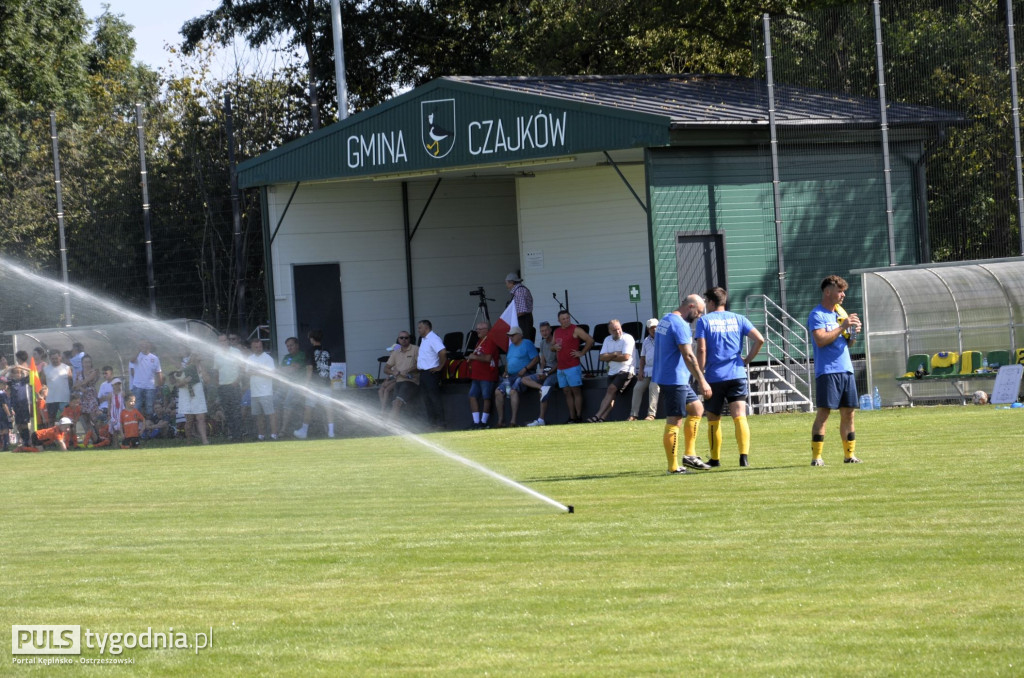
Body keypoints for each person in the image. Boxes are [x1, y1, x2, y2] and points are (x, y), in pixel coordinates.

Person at [695, 287, 765, 467]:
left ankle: (715, 458)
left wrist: (699, 373)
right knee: (739, 415)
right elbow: (760, 339)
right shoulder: (739, 318)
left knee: (713, 417)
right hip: (737, 374)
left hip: (714, 377)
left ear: (711, 302)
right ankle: (744, 457)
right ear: (724, 301)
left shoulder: (704, 321)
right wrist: (747, 360)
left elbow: (701, 349)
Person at [653, 294, 712, 473]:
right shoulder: (680, 324)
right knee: (674, 420)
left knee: (696, 409)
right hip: (674, 379)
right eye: (699, 312)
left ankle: (689, 456)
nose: (699, 316)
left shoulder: (666, 319)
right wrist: (702, 380)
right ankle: (672, 467)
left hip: (673, 377)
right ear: (691, 306)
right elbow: (688, 355)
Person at [808, 275, 863, 466]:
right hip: (828, 371)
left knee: (849, 413)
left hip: (845, 370)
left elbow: (849, 343)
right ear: (827, 292)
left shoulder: (840, 313)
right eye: (839, 291)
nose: (843, 295)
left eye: (843, 291)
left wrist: (853, 332)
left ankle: (849, 455)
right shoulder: (817, 315)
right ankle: (817, 458)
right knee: (824, 414)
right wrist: (842, 326)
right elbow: (821, 340)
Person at [586, 319, 636, 423]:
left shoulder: (628, 338)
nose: (617, 331)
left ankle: (597, 416)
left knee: (611, 390)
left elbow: (626, 357)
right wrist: (615, 354)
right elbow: (601, 357)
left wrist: (609, 356)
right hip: (612, 371)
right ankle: (602, 418)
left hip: (626, 370)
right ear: (609, 331)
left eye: (618, 329)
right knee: (611, 395)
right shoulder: (607, 339)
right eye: (614, 330)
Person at [552, 309, 594, 424]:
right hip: (561, 367)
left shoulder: (576, 329)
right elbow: (552, 346)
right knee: (566, 392)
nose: (566, 320)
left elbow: (590, 340)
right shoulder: (557, 331)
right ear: (559, 320)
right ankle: (572, 417)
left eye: (567, 318)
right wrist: (554, 347)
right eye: (563, 319)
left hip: (572, 366)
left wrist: (582, 352)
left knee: (576, 391)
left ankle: (579, 416)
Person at [294, 329, 337, 438]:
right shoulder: (327, 351)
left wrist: (306, 385)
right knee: (329, 408)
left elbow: (309, 369)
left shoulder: (309, 351)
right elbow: (329, 367)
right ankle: (331, 432)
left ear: (312, 339)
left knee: (309, 407)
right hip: (326, 383)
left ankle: (304, 431)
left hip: (314, 384)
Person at [494, 326, 539, 427]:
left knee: (513, 391)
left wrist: (525, 369)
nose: (511, 337)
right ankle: (501, 421)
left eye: (513, 335)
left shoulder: (527, 343)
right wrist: (506, 371)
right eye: (510, 335)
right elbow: (509, 361)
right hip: (510, 375)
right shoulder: (511, 346)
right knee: (498, 391)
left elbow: (536, 358)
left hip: (523, 374)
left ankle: (513, 421)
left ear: (520, 335)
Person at [523, 321, 560, 427]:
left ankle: (541, 419)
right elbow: (542, 361)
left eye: (546, 330)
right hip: (546, 371)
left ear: (550, 330)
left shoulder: (555, 342)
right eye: (542, 331)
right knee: (524, 379)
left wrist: (547, 374)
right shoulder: (542, 343)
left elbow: (558, 363)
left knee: (544, 389)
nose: (544, 333)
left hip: (555, 372)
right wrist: (541, 372)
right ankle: (542, 387)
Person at [465, 321, 500, 429]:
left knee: (486, 397)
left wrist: (473, 357)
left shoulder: (490, 341)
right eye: (477, 329)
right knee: (472, 396)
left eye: (480, 329)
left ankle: (483, 422)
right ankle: (476, 422)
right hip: (477, 375)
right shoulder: (480, 340)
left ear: (486, 330)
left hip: (487, 375)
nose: (477, 331)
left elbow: (487, 358)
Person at [381, 330, 419, 423]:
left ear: (409, 339)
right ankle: (394, 426)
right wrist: (393, 372)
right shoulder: (395, 353)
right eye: (401, 338)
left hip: (411, 382)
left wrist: (409, 370)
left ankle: (389, 425)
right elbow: (385, 369)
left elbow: (421, 366)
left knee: (397, 403)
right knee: (395, 404)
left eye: (406, 338)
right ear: (398, 340)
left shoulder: (416, 349)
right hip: (398, 382)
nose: (404, 339)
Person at [416, 320, 447, 429]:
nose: (418, 330)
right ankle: (432, 423)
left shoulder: (433, 338)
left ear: (426, 328)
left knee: (434, 398)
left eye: (420, 327)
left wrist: (440, 367)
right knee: (427, 399)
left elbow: (442, 352)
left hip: (431, 373)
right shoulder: (424, 340)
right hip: (424, 373)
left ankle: (440, 423)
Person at [173, 352, 210, 445]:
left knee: (201, 418)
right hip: (186, 396)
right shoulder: (183, 367)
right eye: (198, 355)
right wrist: (184, 381)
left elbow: (207, 381)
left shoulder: (202, 367)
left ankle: (204, 440)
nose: (200, 356)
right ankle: (189, 440)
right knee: (189, 420)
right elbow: (177, 384)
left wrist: (202, 370)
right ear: (193, 357)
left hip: (198, 395)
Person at [247, 337, 279, 441]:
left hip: (266, 392)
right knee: (258, 415)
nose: (258, 348)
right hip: (254, 393)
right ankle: (261, 436)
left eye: (260, 346)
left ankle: (274, 435)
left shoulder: (268, 358)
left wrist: (256, 371)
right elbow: (247, 372)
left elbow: (271, 373)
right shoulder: (249, 359)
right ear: (252, 347)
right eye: (256, 347)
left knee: (270, 414)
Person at [214, 333, 245, 441]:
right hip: (223, 387)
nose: (222, 343)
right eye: (220, 341)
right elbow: (217, 371)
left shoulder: (236, 352)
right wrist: (218, 384)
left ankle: (239, 435)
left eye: (224, 341)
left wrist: (237, 381)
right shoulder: (217, 355)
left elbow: (242, 368)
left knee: (236, 412)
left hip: (234, 386)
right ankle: (232, 434)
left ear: (228, 341)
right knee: (227, 412)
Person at [629, 319, 661, 421]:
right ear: (648, 329)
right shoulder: (646, 341)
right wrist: (641, 371)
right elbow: (642, 358)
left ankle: (651, 414)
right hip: (647, 370)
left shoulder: (664, 338)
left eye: (656, 327)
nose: (654, 329)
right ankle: (633, 415)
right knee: (637, 388)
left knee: (653, 387)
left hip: (659, 371)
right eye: (652, 328)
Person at [277, 337, 307, 436]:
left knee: (287, 402)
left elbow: (293, 369)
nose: (289, 348)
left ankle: (283, 430)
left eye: (291, 345)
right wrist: (288, 368)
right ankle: (274, 428)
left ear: (297, 345)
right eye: (287, 346)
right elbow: (282, 370)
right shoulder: (286, 357)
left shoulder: (302, 355)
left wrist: (286, 369)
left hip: (298, 386)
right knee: (273, 400)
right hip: (286, 385)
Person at [132, 340, 164, 417]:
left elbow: (158, 372)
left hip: (150, 387)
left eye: (146, 344)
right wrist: (138, 351)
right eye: (142, 345)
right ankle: (138, 423)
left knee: (149, 406)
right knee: (137, 405)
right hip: (137, 386)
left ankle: (149, 422)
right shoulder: (137, 356)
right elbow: (132, 360)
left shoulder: (155, 358)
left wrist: (160, 387)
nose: (144, 346)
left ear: (150, 346)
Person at [42, 349, 72, 423]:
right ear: (50, 358)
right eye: (52, 358)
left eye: (56, 358)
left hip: (64, 399)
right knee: (51, 421)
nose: (55, 360)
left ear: (60, 357)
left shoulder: (67, 368)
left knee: (66, 420)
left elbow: (70, 381)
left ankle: (67, 434)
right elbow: (43, 382)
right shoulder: (45, 369)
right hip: (51, 399)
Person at [73, 354, 100, 432]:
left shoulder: (94, 371)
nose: (87, 364)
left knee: (94, 418)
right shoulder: (79, 373)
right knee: (86, 418)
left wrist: (79, 385)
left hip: (91, 396)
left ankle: (100, 435)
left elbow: (86, 381)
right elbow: (75, 385)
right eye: (85, 362)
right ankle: (93, 437)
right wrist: (80, 387)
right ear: (82, 363)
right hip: (82, 397)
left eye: (89, 362)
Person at [505, 272, 535, 342]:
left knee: (524, 340)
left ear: (511, 282)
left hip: (523, 320)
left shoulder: (519, 291)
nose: (506, 285)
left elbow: (522, 311)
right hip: (523, 319)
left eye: (506, 283)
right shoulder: (519, 290)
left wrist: (511, 318)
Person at [0, 378, 13, 451]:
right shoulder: (2, 394)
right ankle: (5, 445)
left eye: (6, 384)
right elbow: (4, 405)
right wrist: (9, 415)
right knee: (5, 429)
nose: (5, 385)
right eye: (3, 384)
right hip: (3, 413)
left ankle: (3, 445)